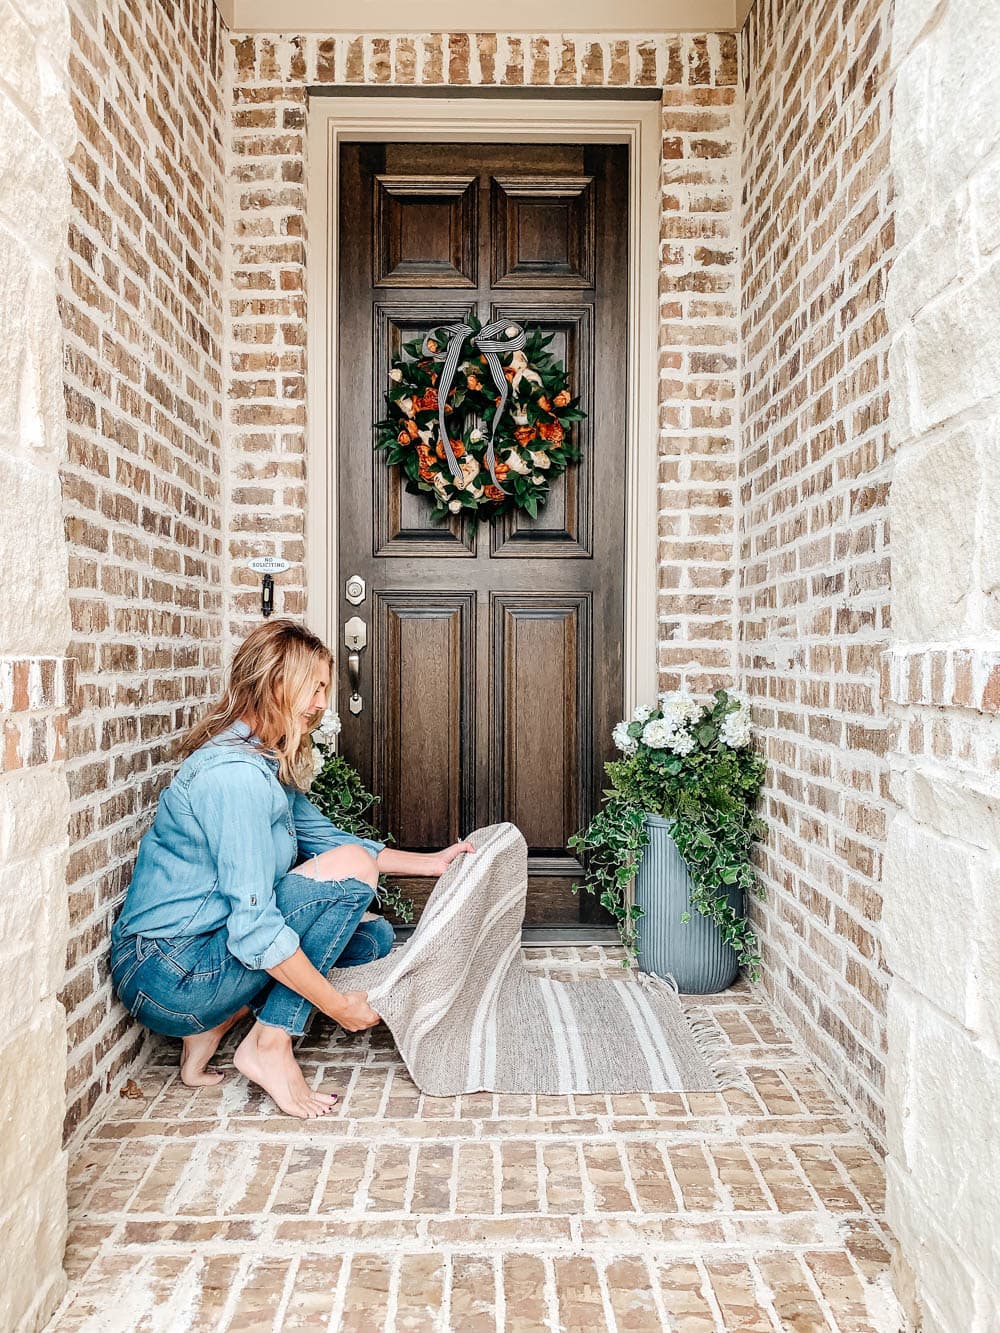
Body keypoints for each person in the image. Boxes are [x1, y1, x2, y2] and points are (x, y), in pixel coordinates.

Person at [109, 619, 474, 1119]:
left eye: (327, 688)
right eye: (316, 687)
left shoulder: (261, 761)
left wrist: (433, 864)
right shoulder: (235, 780)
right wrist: (338, 1007)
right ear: (275, 682)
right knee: (347, 886)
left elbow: (332, 841)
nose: (324, 703)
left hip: (202, 954)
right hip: (168, 974)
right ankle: (269, 1044)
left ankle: (211, 1027)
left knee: (373, 941)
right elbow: (256, 928)